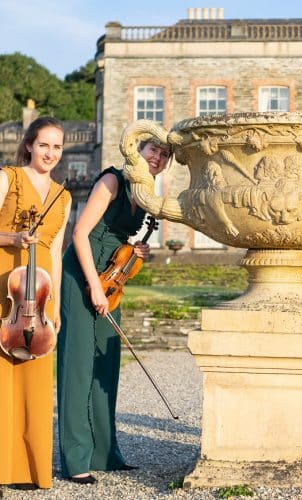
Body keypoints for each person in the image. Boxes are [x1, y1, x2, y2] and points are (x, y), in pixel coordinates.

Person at [56, 138, 170, 485]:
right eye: (153, 150)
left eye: (164, 155)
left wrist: (136, 251)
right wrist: (92, 285)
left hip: (110, 281)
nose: (158, 157)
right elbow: (79, 233)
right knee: (77, 365)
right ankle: (75, 458)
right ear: (138, 150)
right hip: (82, 274)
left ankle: (105, 453)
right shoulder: (112, 181)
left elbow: (118, 241)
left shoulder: (144, 193)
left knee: (105, 363)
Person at [0, 117, 71, 490]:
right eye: (44, 145)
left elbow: (56, 253)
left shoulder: (63, 195)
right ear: (29, 145)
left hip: (39, 294)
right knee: (1, 377)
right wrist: (13, 236)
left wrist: (54, 304)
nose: (50, 153)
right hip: (5, 285)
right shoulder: (7, 177)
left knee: (34, 378)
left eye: (57, 147)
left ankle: (28, 469)